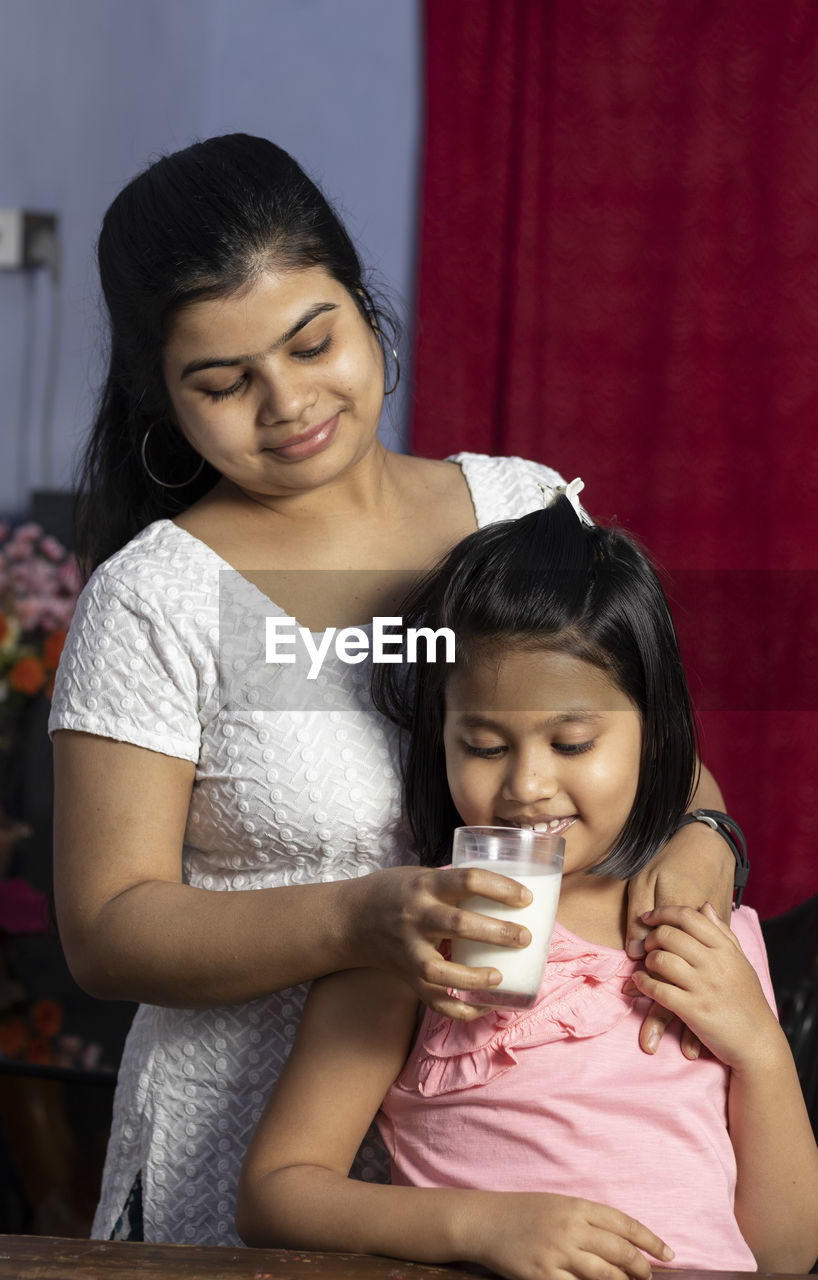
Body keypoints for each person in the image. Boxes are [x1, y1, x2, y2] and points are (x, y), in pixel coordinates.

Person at [49, 134, 738, 1246]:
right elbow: (105, 929)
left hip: (523, 1146)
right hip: (251, 1160)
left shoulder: (515, 507)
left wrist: (702, 843)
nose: (286, 403)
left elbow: (651, 761)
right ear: (161, 396)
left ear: (364, 306)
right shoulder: (155, 598)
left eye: (313, 340)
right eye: (222, 382)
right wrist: (358, 916)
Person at [237, 492, 818, 1277]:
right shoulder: (417, 935)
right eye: (482, 745)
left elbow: (785, 1255)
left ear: (656, 737)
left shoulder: (708, 927)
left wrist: (762, 1054)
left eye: (572, 742)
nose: (528, 786)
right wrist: (481, 1226)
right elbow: (275, 1196)